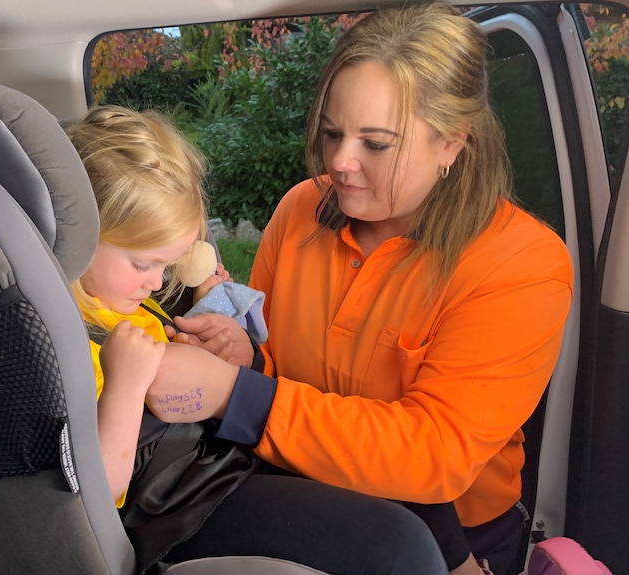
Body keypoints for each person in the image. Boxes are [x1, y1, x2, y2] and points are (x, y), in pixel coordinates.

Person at [144, 4, 574, 575]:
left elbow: (432, 456)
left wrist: (235, 395)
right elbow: (280, 371)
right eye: (332, 133)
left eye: (376, 144)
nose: (340, 162)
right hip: (298, 491)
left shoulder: (523, 263)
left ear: (451, 142)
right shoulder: (300, 210)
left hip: (449, 543)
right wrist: (245, 358)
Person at [66, 104, 448, 575]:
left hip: (215, 464)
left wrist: (215, 348)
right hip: (178, 510)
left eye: (168, 265)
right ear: (75, 236)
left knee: (406, 492)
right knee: (397, 548)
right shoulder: (66, 341)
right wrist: (126, 388)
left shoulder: (121, 298)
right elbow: (91, 502)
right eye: (144, 265)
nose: (156, 281)